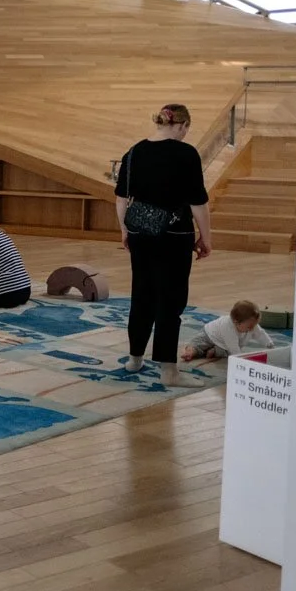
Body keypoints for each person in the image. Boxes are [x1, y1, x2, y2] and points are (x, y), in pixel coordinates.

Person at [114, 103, 212, 386]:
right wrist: (206, 237)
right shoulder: (186, 154)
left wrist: (124, 230)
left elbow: (121, 198)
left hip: (139, 233)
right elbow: (197, 202)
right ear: (182, 125)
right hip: (174, 237)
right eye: (186, 129)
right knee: (170, 300)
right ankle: (169, 371)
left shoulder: (133, 153)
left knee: (142, 294)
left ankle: (135, 358)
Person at [181, 300, 273, 362]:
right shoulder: (228, 327)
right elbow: (234, 348)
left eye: (255, 324)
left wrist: (269, 343)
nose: (253, 328)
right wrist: (242, 360)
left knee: (227, 352)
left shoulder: (252, 326)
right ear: (236, 322)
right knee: (198, 343)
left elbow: (260, 334)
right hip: (209, 335)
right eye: (249, 326)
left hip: (224, 344)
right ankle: (191, 351)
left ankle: (214, 351)